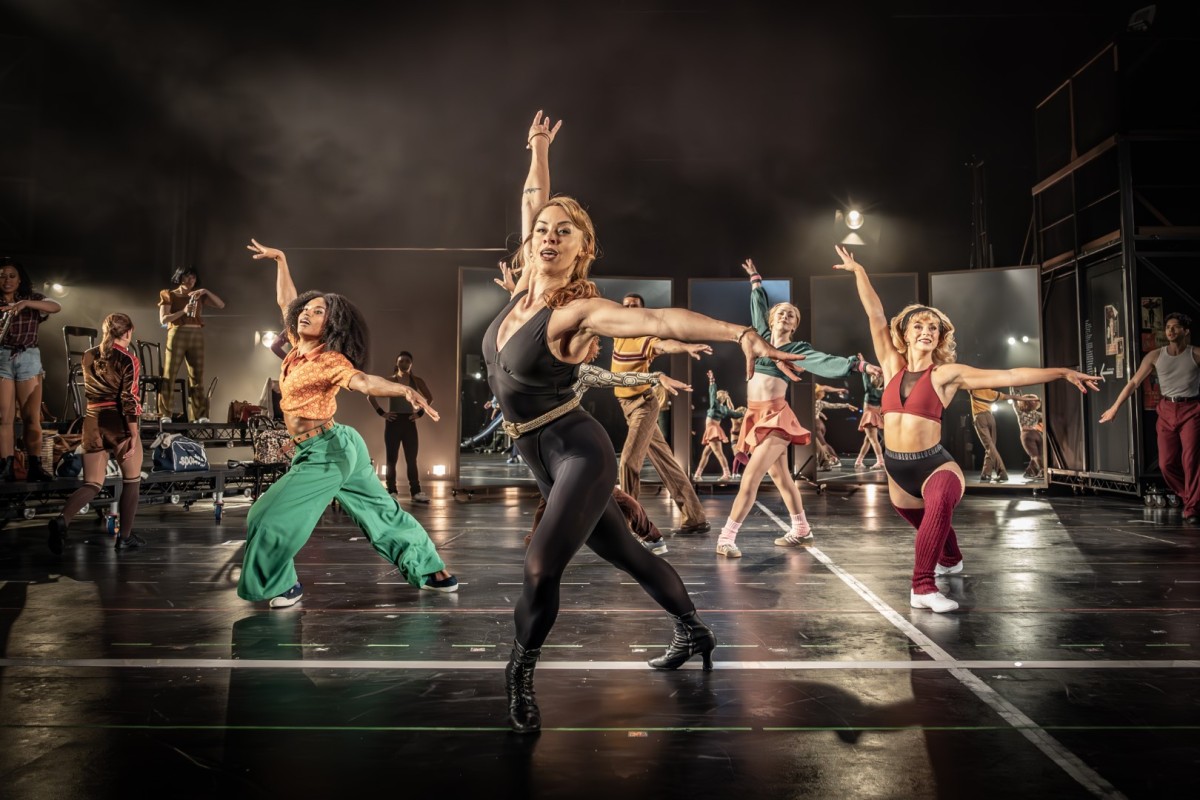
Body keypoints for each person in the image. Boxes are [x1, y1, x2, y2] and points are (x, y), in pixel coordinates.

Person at [491, 111, 803, 734]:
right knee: (627, 554)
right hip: (541, 455)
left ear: (584, 249)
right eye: (543, 230)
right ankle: (695, 632)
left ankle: (519, 676)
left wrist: (741, 331)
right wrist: (539, 147)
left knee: (539, 565)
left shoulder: (578, 310)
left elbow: (661, 323)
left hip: (578, 451)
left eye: (565, 233)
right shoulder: (523, 286)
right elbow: (534, 196)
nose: (549, 236)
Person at [834, 244, 1100, 612]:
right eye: (919, 325)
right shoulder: (891, 364)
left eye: (933, 327)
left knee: (941, 502)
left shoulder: (945, 374)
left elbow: (1010, 375)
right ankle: (951, 559)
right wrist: (858, 270)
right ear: (906, 334)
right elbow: (875, 313)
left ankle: (922, 587)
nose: (926, 330)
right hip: (897, 470)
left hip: (934, 465)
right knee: (932, 526)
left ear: (940, 338)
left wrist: (1062, 371)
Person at [236, 239, 457, 609]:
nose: (306, 313)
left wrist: (404, 390)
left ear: (332, 324)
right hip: (333, 447)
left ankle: (282, 586)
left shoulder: (331, 360)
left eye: (318, 311)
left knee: (270, 517)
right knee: (379, 511)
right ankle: (432, 570)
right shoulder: (295, 347)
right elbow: (286, 302)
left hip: (330, 451)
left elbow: (365, 382)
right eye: (306, 309)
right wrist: (282, 260)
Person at [714, 258, 880, 559]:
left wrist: (859, 365)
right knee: (780, 477)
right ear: (772, 318)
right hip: (754, 414)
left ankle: (726, 536)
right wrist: (756, 281)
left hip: (776, 416)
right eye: (782, 313)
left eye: (792, 315)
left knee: (751, 476)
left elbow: (825, 361)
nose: (786, 316)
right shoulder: (759, 340)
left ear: (795, 324)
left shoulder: (797, 350)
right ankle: (801, 529)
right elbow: (756, 308)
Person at [613, 292, 712, 533]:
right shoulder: (617, 333)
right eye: (625, 306)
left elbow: (664, 345)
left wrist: (685, 347)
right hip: (626, 406)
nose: (629, 310)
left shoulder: (645, 339)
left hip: (643, 405)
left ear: (643, 311)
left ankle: (627, 524)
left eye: (634, 306)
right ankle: (695, 517)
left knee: (628, 462)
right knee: (666, 462)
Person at [47, 313, 144, 553]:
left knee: (92, 483)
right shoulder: (128, 359)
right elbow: (129, 399)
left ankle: (62, 520)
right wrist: (133, 433)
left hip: (91, 421)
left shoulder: (89, 355)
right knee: (132, 481)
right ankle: (125, 537)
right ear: (129, 332)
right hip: (118, 421)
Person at [1101, 312, 1199, 524]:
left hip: (1191, 409)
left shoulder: (1196, 354)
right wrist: (1115, 407)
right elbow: (1134, 383)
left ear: (1186, 331)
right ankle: (1191, 499)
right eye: (1168, 327)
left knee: (1191, 461)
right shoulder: (1155, 356)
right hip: (1166, 409)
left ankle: (1192, 508)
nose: (1170, 330)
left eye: (1175, 327)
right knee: (1165, 464)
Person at [0, 256, 61, 481]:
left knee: (30, 416)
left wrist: (24, 304)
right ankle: (6, 466)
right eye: (2, 276)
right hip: (2, 357)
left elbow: (56, 306)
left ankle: (34, 465)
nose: (7, 280)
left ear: (19, 280)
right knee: (3, 417)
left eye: (11, 276)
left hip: (28, 357)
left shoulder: (32, 299)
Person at [157, 266, 225, 422]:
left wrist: (205, 291)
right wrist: (183, 311)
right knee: (170, 374)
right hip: (177, 333)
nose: (190, 280)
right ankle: (165, 414)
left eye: (193, 277)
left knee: (197, 376)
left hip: (196, 334)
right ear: (180, 278)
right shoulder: (169, 294)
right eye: (187, 277)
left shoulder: (198, 295)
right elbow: (163, 319)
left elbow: (221, 305)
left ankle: (199, 415)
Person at [368, 351, 433, 503]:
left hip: (409, 422)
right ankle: (391, 490)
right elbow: (370, 395)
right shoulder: (390, 380)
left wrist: (420, 413)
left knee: (412, 459)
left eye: (407, 361)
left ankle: (416, 492)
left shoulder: (416, 381)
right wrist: (382, 413)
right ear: (396, 363)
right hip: (394, 422)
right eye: (401, 361)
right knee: (391, 459)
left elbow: (429, 398)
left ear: (411, 364)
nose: (404, 363)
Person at [693, 370, 743, 481]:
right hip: (713, 429)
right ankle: (697, 475)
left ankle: (727, 474)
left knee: (719, 453)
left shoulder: (715, 404)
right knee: (706, 454)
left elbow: (712, 391)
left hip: (712, 430)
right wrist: (747, 412)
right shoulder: (725, 409)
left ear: (718, 396)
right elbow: (736, 413)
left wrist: (711, 380)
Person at [814, 383, 857, 470]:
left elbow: (825, 388)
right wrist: (847, 405)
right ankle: (826, 460)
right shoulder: (820, 402)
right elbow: (834, 405)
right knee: (818, 444)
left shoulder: (809, 401)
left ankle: (835, 459)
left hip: (815, 424)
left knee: (823, 444)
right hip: (820, 423)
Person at [855, 370, 885, 469]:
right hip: (876, 416)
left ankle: (880, 461)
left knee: (873, 440)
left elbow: (865, 378)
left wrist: (864, 368)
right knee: (867, 440)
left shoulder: (869, 389)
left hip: (870, 416)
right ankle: (859, 461)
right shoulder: (882, 392)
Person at [1014, 394, 1045, 479]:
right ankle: (1029, 471)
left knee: (1034, 456)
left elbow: (1014, 402)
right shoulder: (1038, 414)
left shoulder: (1020, 412)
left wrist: (1015, 394)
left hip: (1026, 434)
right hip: (1038, 434)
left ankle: (1043, 471)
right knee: (1039, 455)